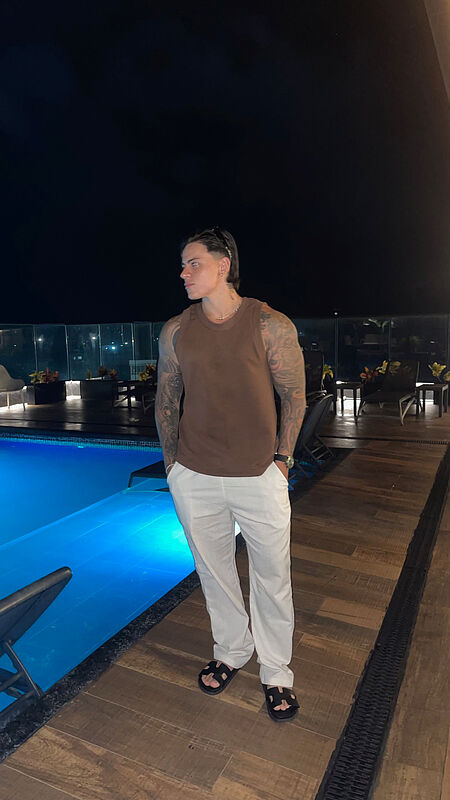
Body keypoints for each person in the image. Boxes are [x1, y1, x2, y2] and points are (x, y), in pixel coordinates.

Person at [155, 227, 306, 722]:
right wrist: (173, 466)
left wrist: (282, 460)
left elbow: (294, 396)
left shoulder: (269, 324)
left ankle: (276, 671)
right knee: (213, 572)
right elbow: (166, 399)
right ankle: (232, 649)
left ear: (223, 265)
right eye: (183, 264)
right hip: (194, 473)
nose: (183, 273)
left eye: (193, 263)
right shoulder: (176, 331)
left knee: (272, 576)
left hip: (258, 472)